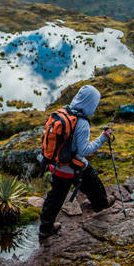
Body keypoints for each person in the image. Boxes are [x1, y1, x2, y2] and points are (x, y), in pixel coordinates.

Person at [39, 84, 113, 239]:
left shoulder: (63, 112)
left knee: (55, 198)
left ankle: (45, 228)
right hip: (73, 167)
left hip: (57, 164)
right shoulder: (82, 123)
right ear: (90, 103)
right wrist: (103, 138)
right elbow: (84, 151)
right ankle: (101, 207)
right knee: (93, 183)